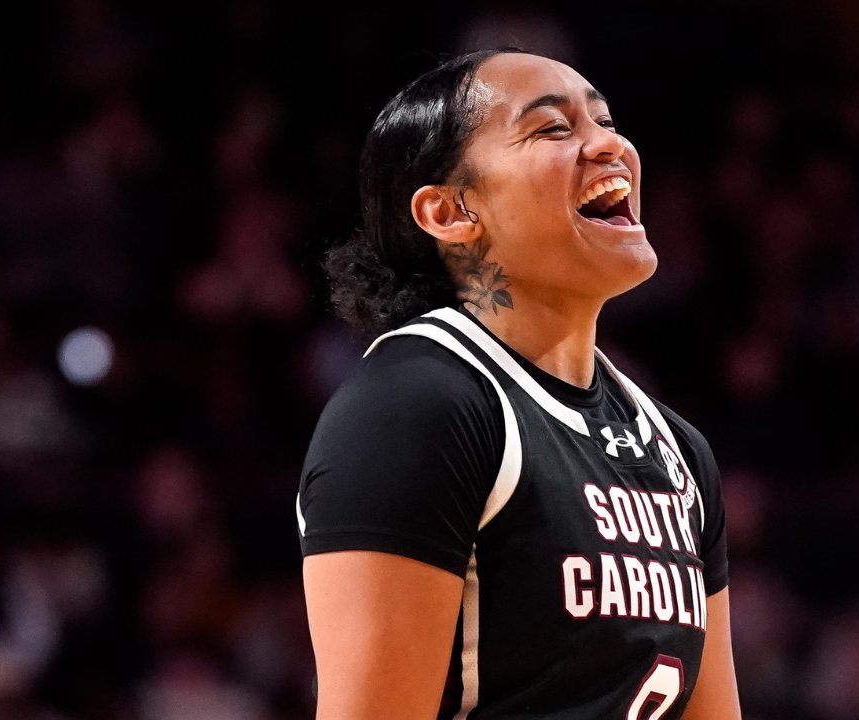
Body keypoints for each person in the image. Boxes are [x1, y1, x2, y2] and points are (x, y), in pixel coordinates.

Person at [297, 47, 740, 720]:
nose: (609, 145)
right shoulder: (418, 407)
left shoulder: (676, 450)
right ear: (450, 213)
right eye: (554, 129)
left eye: (605, 120)